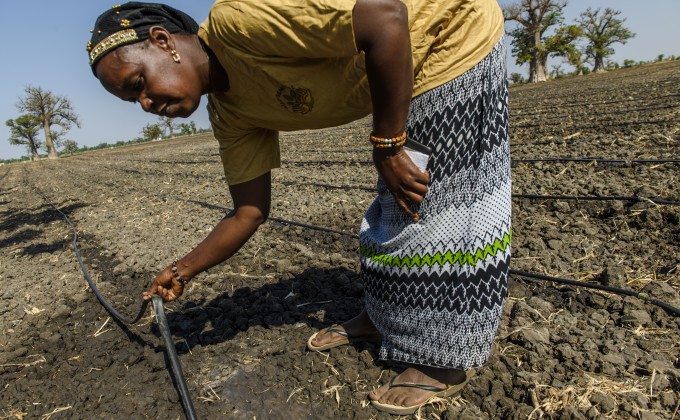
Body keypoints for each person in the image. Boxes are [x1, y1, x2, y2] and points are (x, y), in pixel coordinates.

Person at [88, 0, 511, 414]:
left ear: (163, 42)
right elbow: (248, 211)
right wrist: (182, 270)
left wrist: (387, 143)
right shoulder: (230, 112)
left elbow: (386, 16)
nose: (145, 104)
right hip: (408, 65)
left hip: (449, 35)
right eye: (132, 101)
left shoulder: (238, 22)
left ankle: (445, 362)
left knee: (441, 205)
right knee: (397, 202)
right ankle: (386, 318)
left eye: (138, 83)